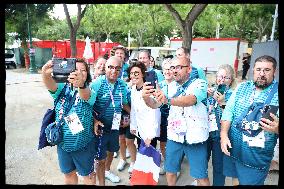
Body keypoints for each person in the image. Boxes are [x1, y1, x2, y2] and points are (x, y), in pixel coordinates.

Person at [142, 57, 210, 186]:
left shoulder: (200, 83)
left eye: (178, 67)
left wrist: (168, 100)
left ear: (189, 69)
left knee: (201, 176)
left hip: (196, 138)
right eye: (172, 67)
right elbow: (155, 105)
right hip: (175, 137)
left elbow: (191, 100)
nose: (174, 71)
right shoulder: (168, 87)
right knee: (170, 170)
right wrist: (146, 98)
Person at [220, 55, 279, 185]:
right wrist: (223, 135)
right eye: (258, 69)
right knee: (235, 180)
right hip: (234, 149)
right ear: (253, 70)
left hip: (256, 157)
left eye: (267, 70)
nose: (261, 74)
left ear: (274, 71)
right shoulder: (242, 87)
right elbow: (228, 112)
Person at [41, 58, 96, 185]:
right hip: (63, 145)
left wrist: (81, 84)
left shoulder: (90, 89)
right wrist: (45, 73)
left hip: (83, 145)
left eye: (83, 70)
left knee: (88, 176)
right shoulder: (62, 88)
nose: (80, 73)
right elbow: (50, 83)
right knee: (69, 174)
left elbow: (86, 95)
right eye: (76, 69)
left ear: (88, 74)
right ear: (69, 71)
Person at [90, 56, 131, 185]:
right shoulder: (97, 84)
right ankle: (101, 182)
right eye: (111, 67)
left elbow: (124, 103)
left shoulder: (122, 85)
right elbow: (87, 105)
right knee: (100, 159)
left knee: (111, 151)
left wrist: (132, 116)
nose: (114, 71)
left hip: (115, 127)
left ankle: (107, 171)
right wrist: (95, 121)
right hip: (100, 129)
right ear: (105, 68)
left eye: (117, 68)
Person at [206, 64, 237, 186]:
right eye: (220, 76)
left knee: (218, 167)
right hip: (206, 133)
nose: (222, 80)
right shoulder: (210, 90)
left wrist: (223, 103)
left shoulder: (233, 95)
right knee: (202, 163)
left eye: (226, 77)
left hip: (220, 136)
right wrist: (206, 96)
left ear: (231, 80)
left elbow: (233, 118)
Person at [129, 60, 161, 148]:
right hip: (140, 130)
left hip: (149, 131)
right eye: (131, 73)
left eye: (136, 73)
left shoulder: (149, 89)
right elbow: (134, 109)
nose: (133, 76)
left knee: (149, 158)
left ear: (143, 74)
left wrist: (150, 136)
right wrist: (133, 126)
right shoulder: (134, 88)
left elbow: (155, 113)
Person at [111, 45, 132, 171]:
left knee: (129, 137)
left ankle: (131, 158)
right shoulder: (110, 68)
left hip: (127, 105)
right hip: (114, 108)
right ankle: (122, 158)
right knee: (120, 136)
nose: (119, 55)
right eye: (117, 53)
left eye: (121, 53)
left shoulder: (129, 68)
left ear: (125, 56)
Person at [157, 58, 175, 175]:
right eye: (165, 69)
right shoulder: (160, 85)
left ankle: (173, 166)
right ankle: (168, 163)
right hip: (162, 119)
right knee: (163, 143)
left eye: (170, 69)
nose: (167, 72)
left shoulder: (178, 85)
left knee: (173, 144)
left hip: (175, 119)